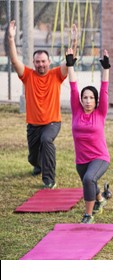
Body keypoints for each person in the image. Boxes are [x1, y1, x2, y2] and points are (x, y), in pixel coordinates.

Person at [7, 20, 77, 189]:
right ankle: (37, 164)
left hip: (52, 122)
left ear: (49, 62)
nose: (40, 64)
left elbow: (69, 61)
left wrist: (74, 41)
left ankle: (49, 179)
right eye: (37, 62)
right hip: (33, 125)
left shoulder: (56, 75)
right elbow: (15, 60)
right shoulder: (28, 75)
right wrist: (10, 38)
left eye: (43, 61)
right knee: (33, 156)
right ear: (34, 63)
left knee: (47, 141)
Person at [65, 48, 111, 224]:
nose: (88, 101)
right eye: (85, 97)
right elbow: (73, 87)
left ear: (96, 100)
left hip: (100, 157)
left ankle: (88, 215)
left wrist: (106, 68)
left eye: (91, 98)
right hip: (81, 159)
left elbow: (105, 89)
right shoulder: (77, 111)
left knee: (89, 178)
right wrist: (70, 65)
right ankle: (100, 199)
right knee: (88, 182)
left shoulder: (100, 112)